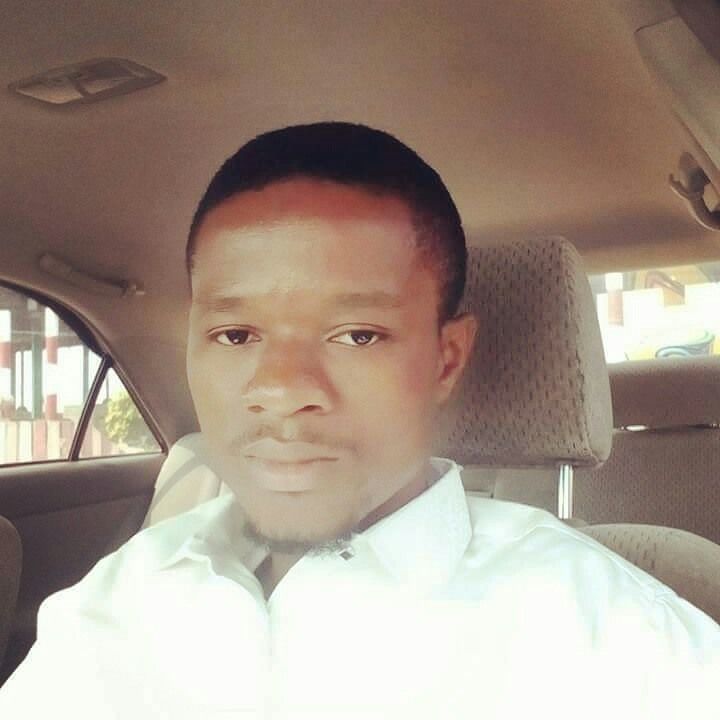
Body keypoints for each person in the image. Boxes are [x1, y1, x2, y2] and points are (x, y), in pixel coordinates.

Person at [0, 123, 717, 719]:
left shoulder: (611, 637)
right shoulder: (117, 596)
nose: (281, 391)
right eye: (235, 335)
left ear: (445, 359)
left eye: (357, 335)